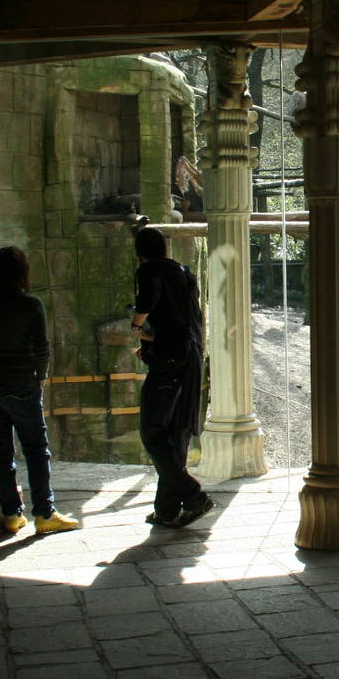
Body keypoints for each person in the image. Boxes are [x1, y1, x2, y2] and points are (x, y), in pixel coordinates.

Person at [0, 246, 80, 535]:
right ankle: (44, 513)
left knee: (1, 452)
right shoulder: (31, 305)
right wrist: (39, 378)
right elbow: (42, 348)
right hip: (22, 386)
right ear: (22, 274)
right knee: (36, 451)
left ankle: (11, 514)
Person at [131, 226, 214, 528]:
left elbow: (149, 301)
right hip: (190, 357)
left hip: (169, 361)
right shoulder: (184, 273)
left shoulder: (150, 270)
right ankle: (166, 510)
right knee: (176, 433)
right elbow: (183, 321)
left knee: (152, 433)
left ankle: (193, 496)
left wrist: (137, 325)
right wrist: (155, 339)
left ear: (141, 254)